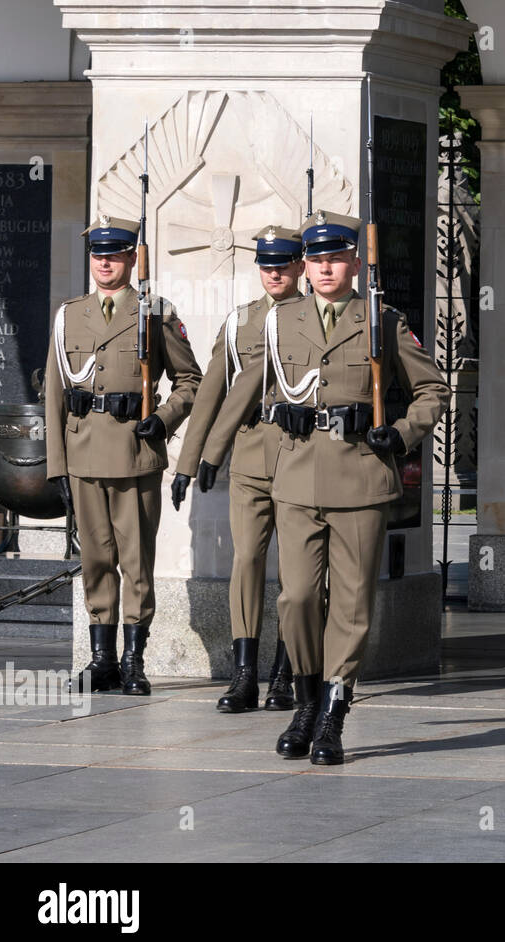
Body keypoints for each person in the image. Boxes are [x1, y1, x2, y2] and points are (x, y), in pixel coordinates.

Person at [200, 210, 449, 764]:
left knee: (352, 604)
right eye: (316, 258)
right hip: (295, 475)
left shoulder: (382, 320)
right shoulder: (280, 321)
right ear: (305, 266)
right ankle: (306, 698)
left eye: (336, 257)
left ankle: (332, 711)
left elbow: (433, 390)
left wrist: (401, 432)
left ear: (355, 262)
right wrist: (209, 452)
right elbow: (244, 389)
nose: (326, 267)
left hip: (361, 474)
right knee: (297, 597)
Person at [47, 213, 202, 695]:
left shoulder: (154, 311)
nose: (105, 263)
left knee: (135, 561)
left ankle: (134, 659)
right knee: (95, 559)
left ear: (132, 258)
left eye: (114, 255)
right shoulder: (69, 315)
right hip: (83, 456)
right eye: (98, 255)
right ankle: (102, 660)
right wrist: (57, 465)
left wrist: (166, 418)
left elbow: (190, 380)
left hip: (134, 453)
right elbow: (53, 393)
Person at [172, 226, 305, 713]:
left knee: (297, 570)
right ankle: (245, 672)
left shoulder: (315, 319)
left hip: (299, 453)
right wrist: (190, 463)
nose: (274, 272)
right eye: (267, 264)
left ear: (300, 265)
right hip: (250, 455)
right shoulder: (241, 323)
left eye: (284, 263)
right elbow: (210, 394)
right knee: (246, 560)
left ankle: (286, 672)